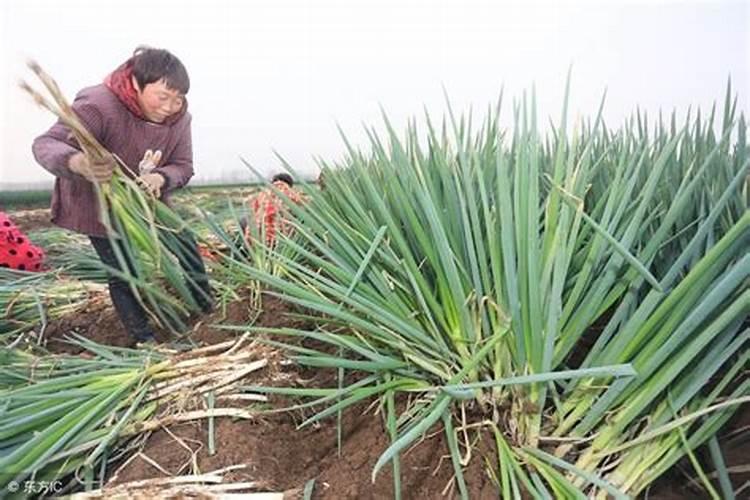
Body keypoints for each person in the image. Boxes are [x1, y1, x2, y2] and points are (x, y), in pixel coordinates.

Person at [31, 46, 212, 343]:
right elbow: (46, 144)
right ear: (137, 85)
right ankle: (145, 340)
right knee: (123, 272)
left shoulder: (180, 119)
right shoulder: (99, 104)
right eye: (162, 97)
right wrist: (79, 163)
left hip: (148, 201)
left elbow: (183, 166)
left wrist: (161, 176)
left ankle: (206, 310)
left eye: (178, 99)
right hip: (100, 206)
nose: (169, 107)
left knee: (186, 245)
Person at [243, 173, 305, 247]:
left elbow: (254, 212)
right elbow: (304, 209)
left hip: (256, 239)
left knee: (246, 220)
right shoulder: (290, 193)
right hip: (278, 240)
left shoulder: (262, 194)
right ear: (289, 184)